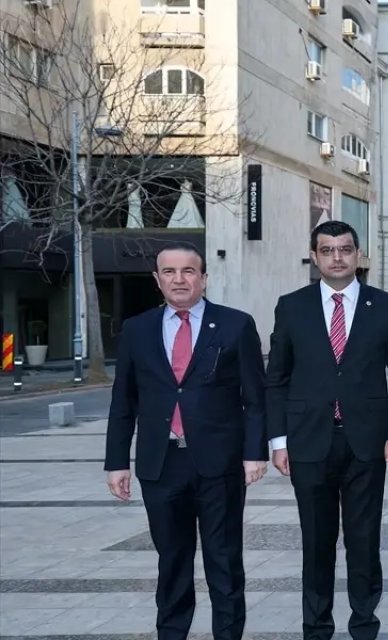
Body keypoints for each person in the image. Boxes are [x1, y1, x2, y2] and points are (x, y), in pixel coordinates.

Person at [104, 243, 267, 640]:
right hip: (161, 464)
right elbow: (123, 399)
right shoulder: (137, 329)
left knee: (223, 560)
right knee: (172, 560)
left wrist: (254, 453)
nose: (180, 279)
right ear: (157, 280)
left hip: (219, 464)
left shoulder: (235, 325)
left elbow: (256, 398)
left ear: (204, 278)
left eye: (189, 271)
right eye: (170, 271)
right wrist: (116, 461)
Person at [265, 220, 388, 640]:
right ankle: (317, 628)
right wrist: (278, 440)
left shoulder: (384, 306)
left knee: (364, 542)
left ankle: (364, 625)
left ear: (358, 255)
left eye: (345, 249)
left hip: (366, 442)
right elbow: (276, 378)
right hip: (308, 442)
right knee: (317, 542)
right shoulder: (291, 306)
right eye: (327, 250)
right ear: (315, 256)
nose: (337, 258)